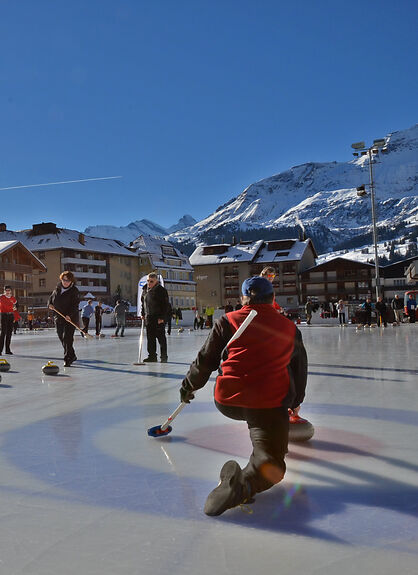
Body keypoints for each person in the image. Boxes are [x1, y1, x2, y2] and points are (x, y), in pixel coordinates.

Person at [179, 276, 307, 516]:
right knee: (273, 465)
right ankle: (244, 485)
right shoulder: (290, 328)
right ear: (273, 299)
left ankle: (236, 482)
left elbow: (206, 360)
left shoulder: (226, 321)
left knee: (255, 414)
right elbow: (299, 369)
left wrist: (188, 387)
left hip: (228, 401)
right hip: (268, 404)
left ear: (242, 299)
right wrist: (295, 402)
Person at [48, 271, 79, 366]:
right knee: (61, 336)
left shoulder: (74, 290)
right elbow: (51, 299)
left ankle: (67, 358)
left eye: (68, 280)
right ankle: (72, 354)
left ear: (71, 281)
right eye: (64, 280)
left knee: (67, 338)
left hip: (70, 318)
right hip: (59, 317)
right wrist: (49, 304)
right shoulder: (57, 288)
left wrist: (69, 315)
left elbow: (75, 305)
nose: (65, 282)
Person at [141, 272, 169, 362]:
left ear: (156, 281)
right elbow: (143, 303)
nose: (149, 283)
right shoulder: (145, 290)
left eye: (151, 281)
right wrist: (142, 313)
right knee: (150, 338)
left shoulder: (161, 291)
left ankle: (164, 356)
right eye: (148, 281)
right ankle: (152, 356)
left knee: (161, 338)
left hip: (158, 318)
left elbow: (165, 306)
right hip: (148, 317)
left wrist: (162, 317)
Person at [0, 286, 17, 355]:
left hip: (11, 315)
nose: (7, 292)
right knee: (3, 332)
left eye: (9, 290)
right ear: (4, 291)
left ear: (11, 291)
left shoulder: (13, 298)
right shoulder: (1, 297)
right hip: (3, 315)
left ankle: (7, 349)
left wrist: (14, 308)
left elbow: (15, 305)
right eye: (6, 290)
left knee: (9, 333)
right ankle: (0, 350)